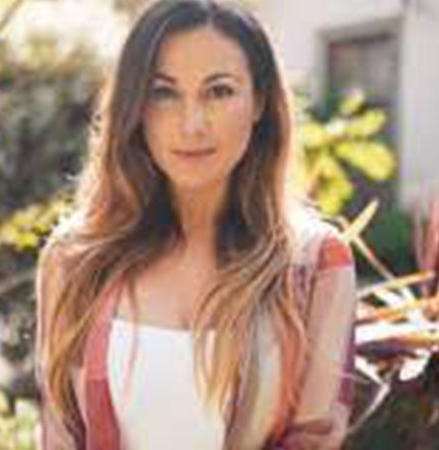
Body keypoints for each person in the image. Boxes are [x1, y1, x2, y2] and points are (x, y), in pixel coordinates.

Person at [34, 1, 357, 449]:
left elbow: (315, 439)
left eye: (219, 91)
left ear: (260, 101)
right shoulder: (74, 260)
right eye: (163, 92)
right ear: (135, 106)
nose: (192, 124)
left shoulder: (316, 263)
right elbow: (58, 434)